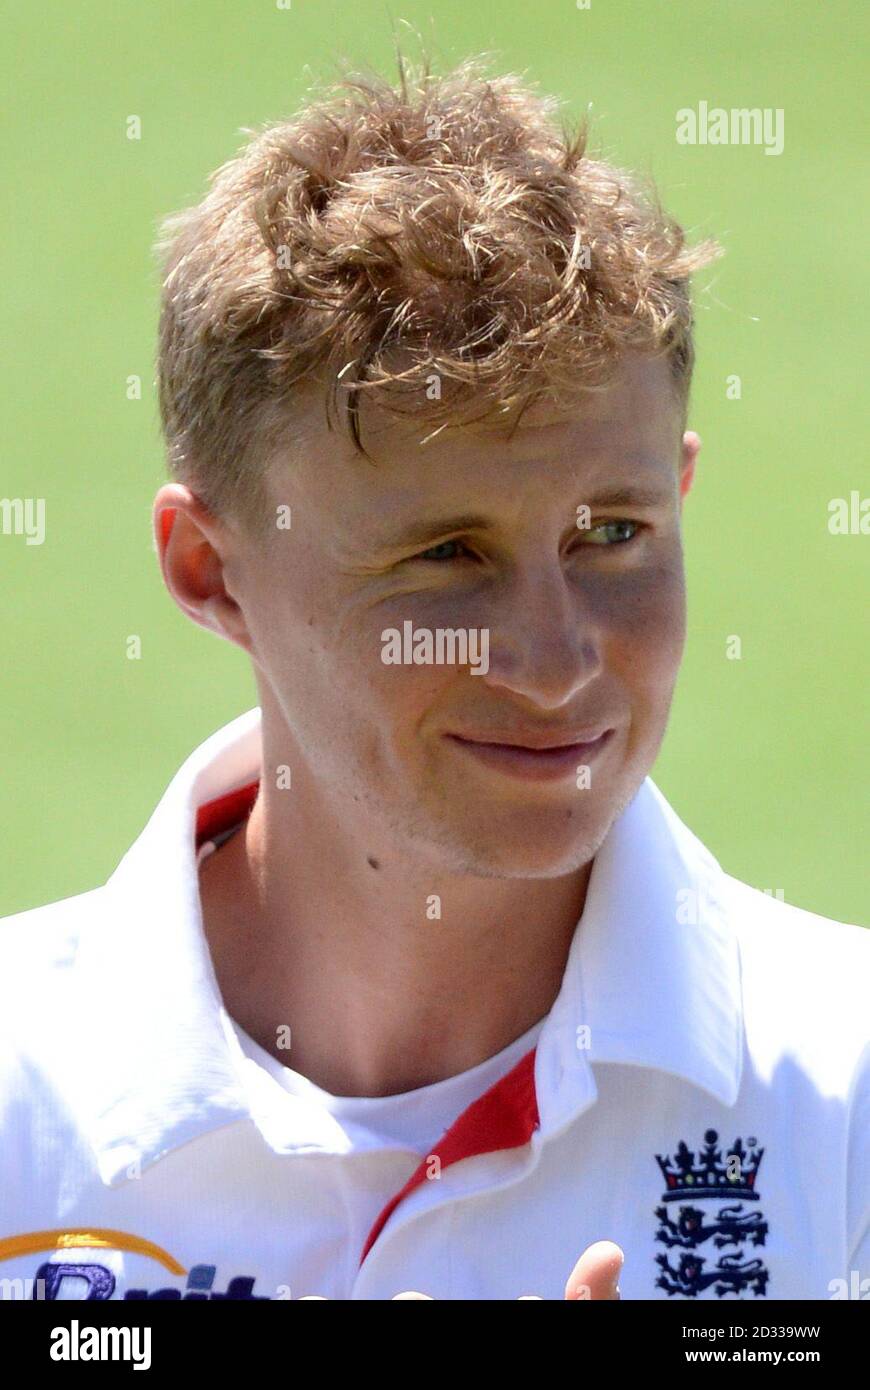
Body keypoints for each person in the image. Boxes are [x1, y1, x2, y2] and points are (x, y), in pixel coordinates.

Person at [1, 56, 866, 1302]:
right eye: (447, 557)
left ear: (680, 494)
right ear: (212, 573)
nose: (559, 664)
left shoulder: (848, 1093)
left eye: (610, 534)